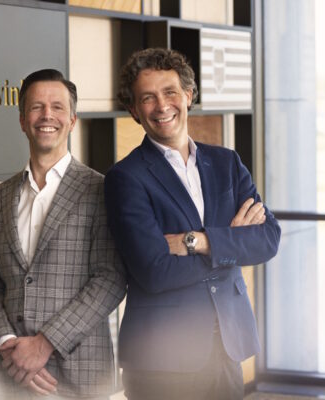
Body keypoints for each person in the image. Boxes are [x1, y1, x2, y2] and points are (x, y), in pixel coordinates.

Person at [104, 48, 281, 400]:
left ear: (188, 95)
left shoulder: (227, 163)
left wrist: (197, 241)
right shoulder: (125, 177)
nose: (162, 106)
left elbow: (267, 239)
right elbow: (154, 270)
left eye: (170, 92)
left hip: (227, 346)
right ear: (134, 110)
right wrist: (230, 243)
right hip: (162, 357)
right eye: (147, 98)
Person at [0, 68, 126, 400]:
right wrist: (7, 346)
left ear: (72, 120)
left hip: (79, 377)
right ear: (22, 120)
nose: (47, 115)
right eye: (36, 107)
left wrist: (44, 344)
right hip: (11, 377)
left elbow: (110, 280)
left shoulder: (101, 191)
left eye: (57, 107)